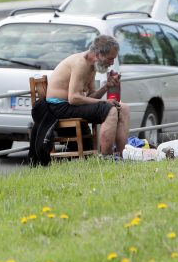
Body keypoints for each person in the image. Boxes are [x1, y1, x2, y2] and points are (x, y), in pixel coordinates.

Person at [28, 35, 131, 165]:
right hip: (58, 107)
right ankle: (107, 159)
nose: (111, 63)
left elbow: (90, 97)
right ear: (99, 54)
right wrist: (104, 103)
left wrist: (107, 86)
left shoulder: (92, 64)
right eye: (110, 59)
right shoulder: (81, 63)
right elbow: (74, 98)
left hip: (70, 105)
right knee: (110, 110)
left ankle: (123, 157)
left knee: (123, 108)